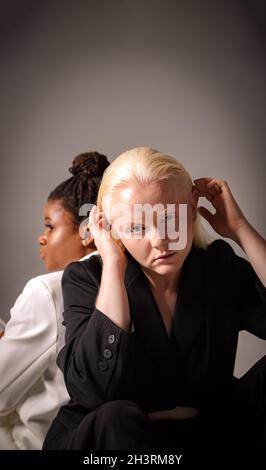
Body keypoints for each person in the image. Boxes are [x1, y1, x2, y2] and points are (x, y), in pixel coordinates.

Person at [43, 147, 266, 450]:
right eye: (137, 227)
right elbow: (90, 390)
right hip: (117, 440)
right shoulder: (88, 278)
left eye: (171, 218)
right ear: (110, 228)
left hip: (208, 433)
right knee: (115, 417)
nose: (160, 240)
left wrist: (239, 229)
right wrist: (113, 264)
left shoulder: (216, 267)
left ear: (191, 207)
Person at [0, 151, 110, 449]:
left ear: (88, 230)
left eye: (49, 225)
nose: (42, 237)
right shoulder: (130, 282)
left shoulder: (47, 291)